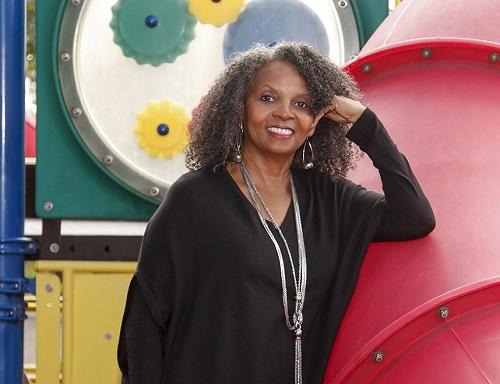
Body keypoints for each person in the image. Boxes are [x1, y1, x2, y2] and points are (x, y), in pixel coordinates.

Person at [117, 42, 435, 384]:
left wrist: (365, 124)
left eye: (302, 104)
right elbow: (144, 320)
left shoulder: (329, 199)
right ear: (240, 108)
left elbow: (414, 217)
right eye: (268, 98)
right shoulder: (194, 198)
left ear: (315, 121)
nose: (285, 113)